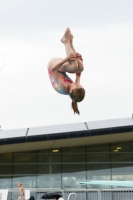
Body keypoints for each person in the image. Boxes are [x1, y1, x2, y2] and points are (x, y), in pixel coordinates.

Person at [47, 28, 85, 115]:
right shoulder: (76, 87)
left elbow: (53, 70)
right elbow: (79, 73)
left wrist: (67, 58)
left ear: (71, 91)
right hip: (61, 68)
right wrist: (79, 59)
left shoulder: (63, 88)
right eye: (78, 84)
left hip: (52, 65)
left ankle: (66, 41)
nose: (76, 83)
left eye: (76, 85)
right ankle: (70, 42)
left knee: (73, 66)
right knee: (79, 67)